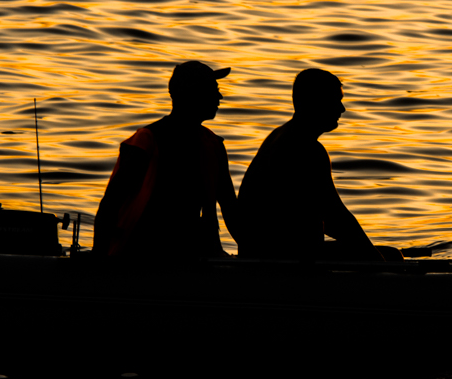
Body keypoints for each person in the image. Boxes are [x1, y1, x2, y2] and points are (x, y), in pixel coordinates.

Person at [239, 68, 400, 261]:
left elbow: (331, 218)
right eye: (336, 101)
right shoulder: (306, 148)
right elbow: (336, 215)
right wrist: (377, 260)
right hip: (285, 260)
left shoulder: (279, 136)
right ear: (316, 102)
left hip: (263, 252)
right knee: (392, 257)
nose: (342, 109)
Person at [92, 60, 243, 260]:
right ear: (191, 94)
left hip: (192, 255)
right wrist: (99, 260)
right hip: (140, 256)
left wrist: (256, 253)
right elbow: (110, 206)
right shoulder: (146, 141)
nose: (219, 96)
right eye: (211, 89)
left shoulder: (213, 145)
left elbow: (230, 210)